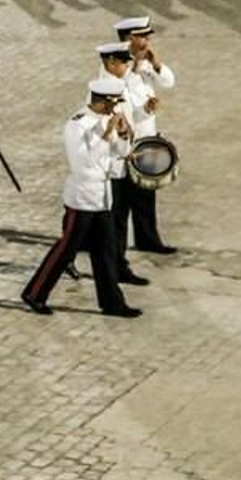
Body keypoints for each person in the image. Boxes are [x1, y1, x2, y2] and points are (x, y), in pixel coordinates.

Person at [20, 75, 141, 318]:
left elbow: (118, 154)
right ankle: (35, 292)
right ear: (103, 101)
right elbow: (81, 162)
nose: (115, 108)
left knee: (105, 250)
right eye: (113, 103)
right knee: (66, 248)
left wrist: (124, 136)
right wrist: (106, 136)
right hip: (83, 196)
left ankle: (112, 303)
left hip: (103, 196)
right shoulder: (77, 124)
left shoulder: (106, 119)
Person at [112, 16, 176, 255]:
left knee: (146, 194)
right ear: (130, 38)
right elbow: (120, 102)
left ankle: (147, 239)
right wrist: (143, 108)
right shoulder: (116, 65)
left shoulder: (146, 63)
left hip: (147, 138)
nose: (147, 41)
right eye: (142, 36)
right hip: (127, 142)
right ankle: (112, 247)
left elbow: (169, 81)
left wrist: (155, 63)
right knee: (123, 199)